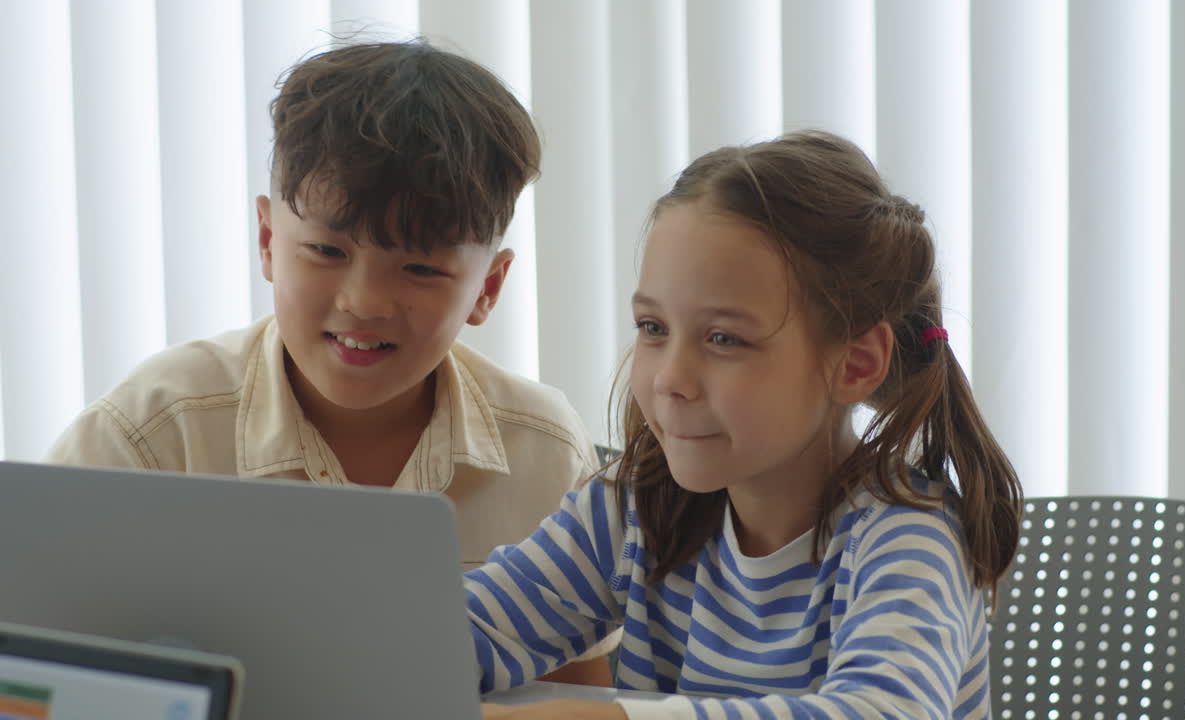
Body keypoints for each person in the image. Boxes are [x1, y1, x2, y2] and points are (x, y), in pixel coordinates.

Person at [45, 40, 611, 686]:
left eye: (421, 267)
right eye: (324, 250)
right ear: (267, 241)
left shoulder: (544, 451)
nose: (364, 302)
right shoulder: (153, 434)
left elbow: (580, 697)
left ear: (488, 288)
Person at [468, 130, 1024, 719]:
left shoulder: (909, 535)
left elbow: (881, 712)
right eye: (653, 327)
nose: (670, 379)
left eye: (723, 339)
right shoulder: (631, 508)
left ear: (855, 365)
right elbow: (460, 636)